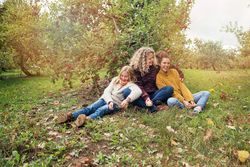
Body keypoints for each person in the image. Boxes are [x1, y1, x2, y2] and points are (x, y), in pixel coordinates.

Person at [56, 66, 142, 127]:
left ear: (130, 77)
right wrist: (109, 101)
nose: (123, 78)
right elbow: (107, 91)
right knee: (90, 108)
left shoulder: (131, 85)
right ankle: (70, 116)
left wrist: (127, 100)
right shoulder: (115, 80)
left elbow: (138, 91)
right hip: (107, 100)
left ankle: (86, 119)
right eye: (122, 76)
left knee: (101, 110)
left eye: (126, 77)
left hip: (116, 104)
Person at [127, 47, 184, 112]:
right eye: (149, 59)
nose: (152, 60)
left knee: (169, 89)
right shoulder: (136, 69)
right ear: (142, 59)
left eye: (152, 58)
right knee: (127, 92)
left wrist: (181, 75)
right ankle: (152, 107)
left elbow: (167, 65)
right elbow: (139, 86)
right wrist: (146, 97)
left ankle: (147, 106)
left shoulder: (155, 67)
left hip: (154, 94)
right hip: (141, 95)